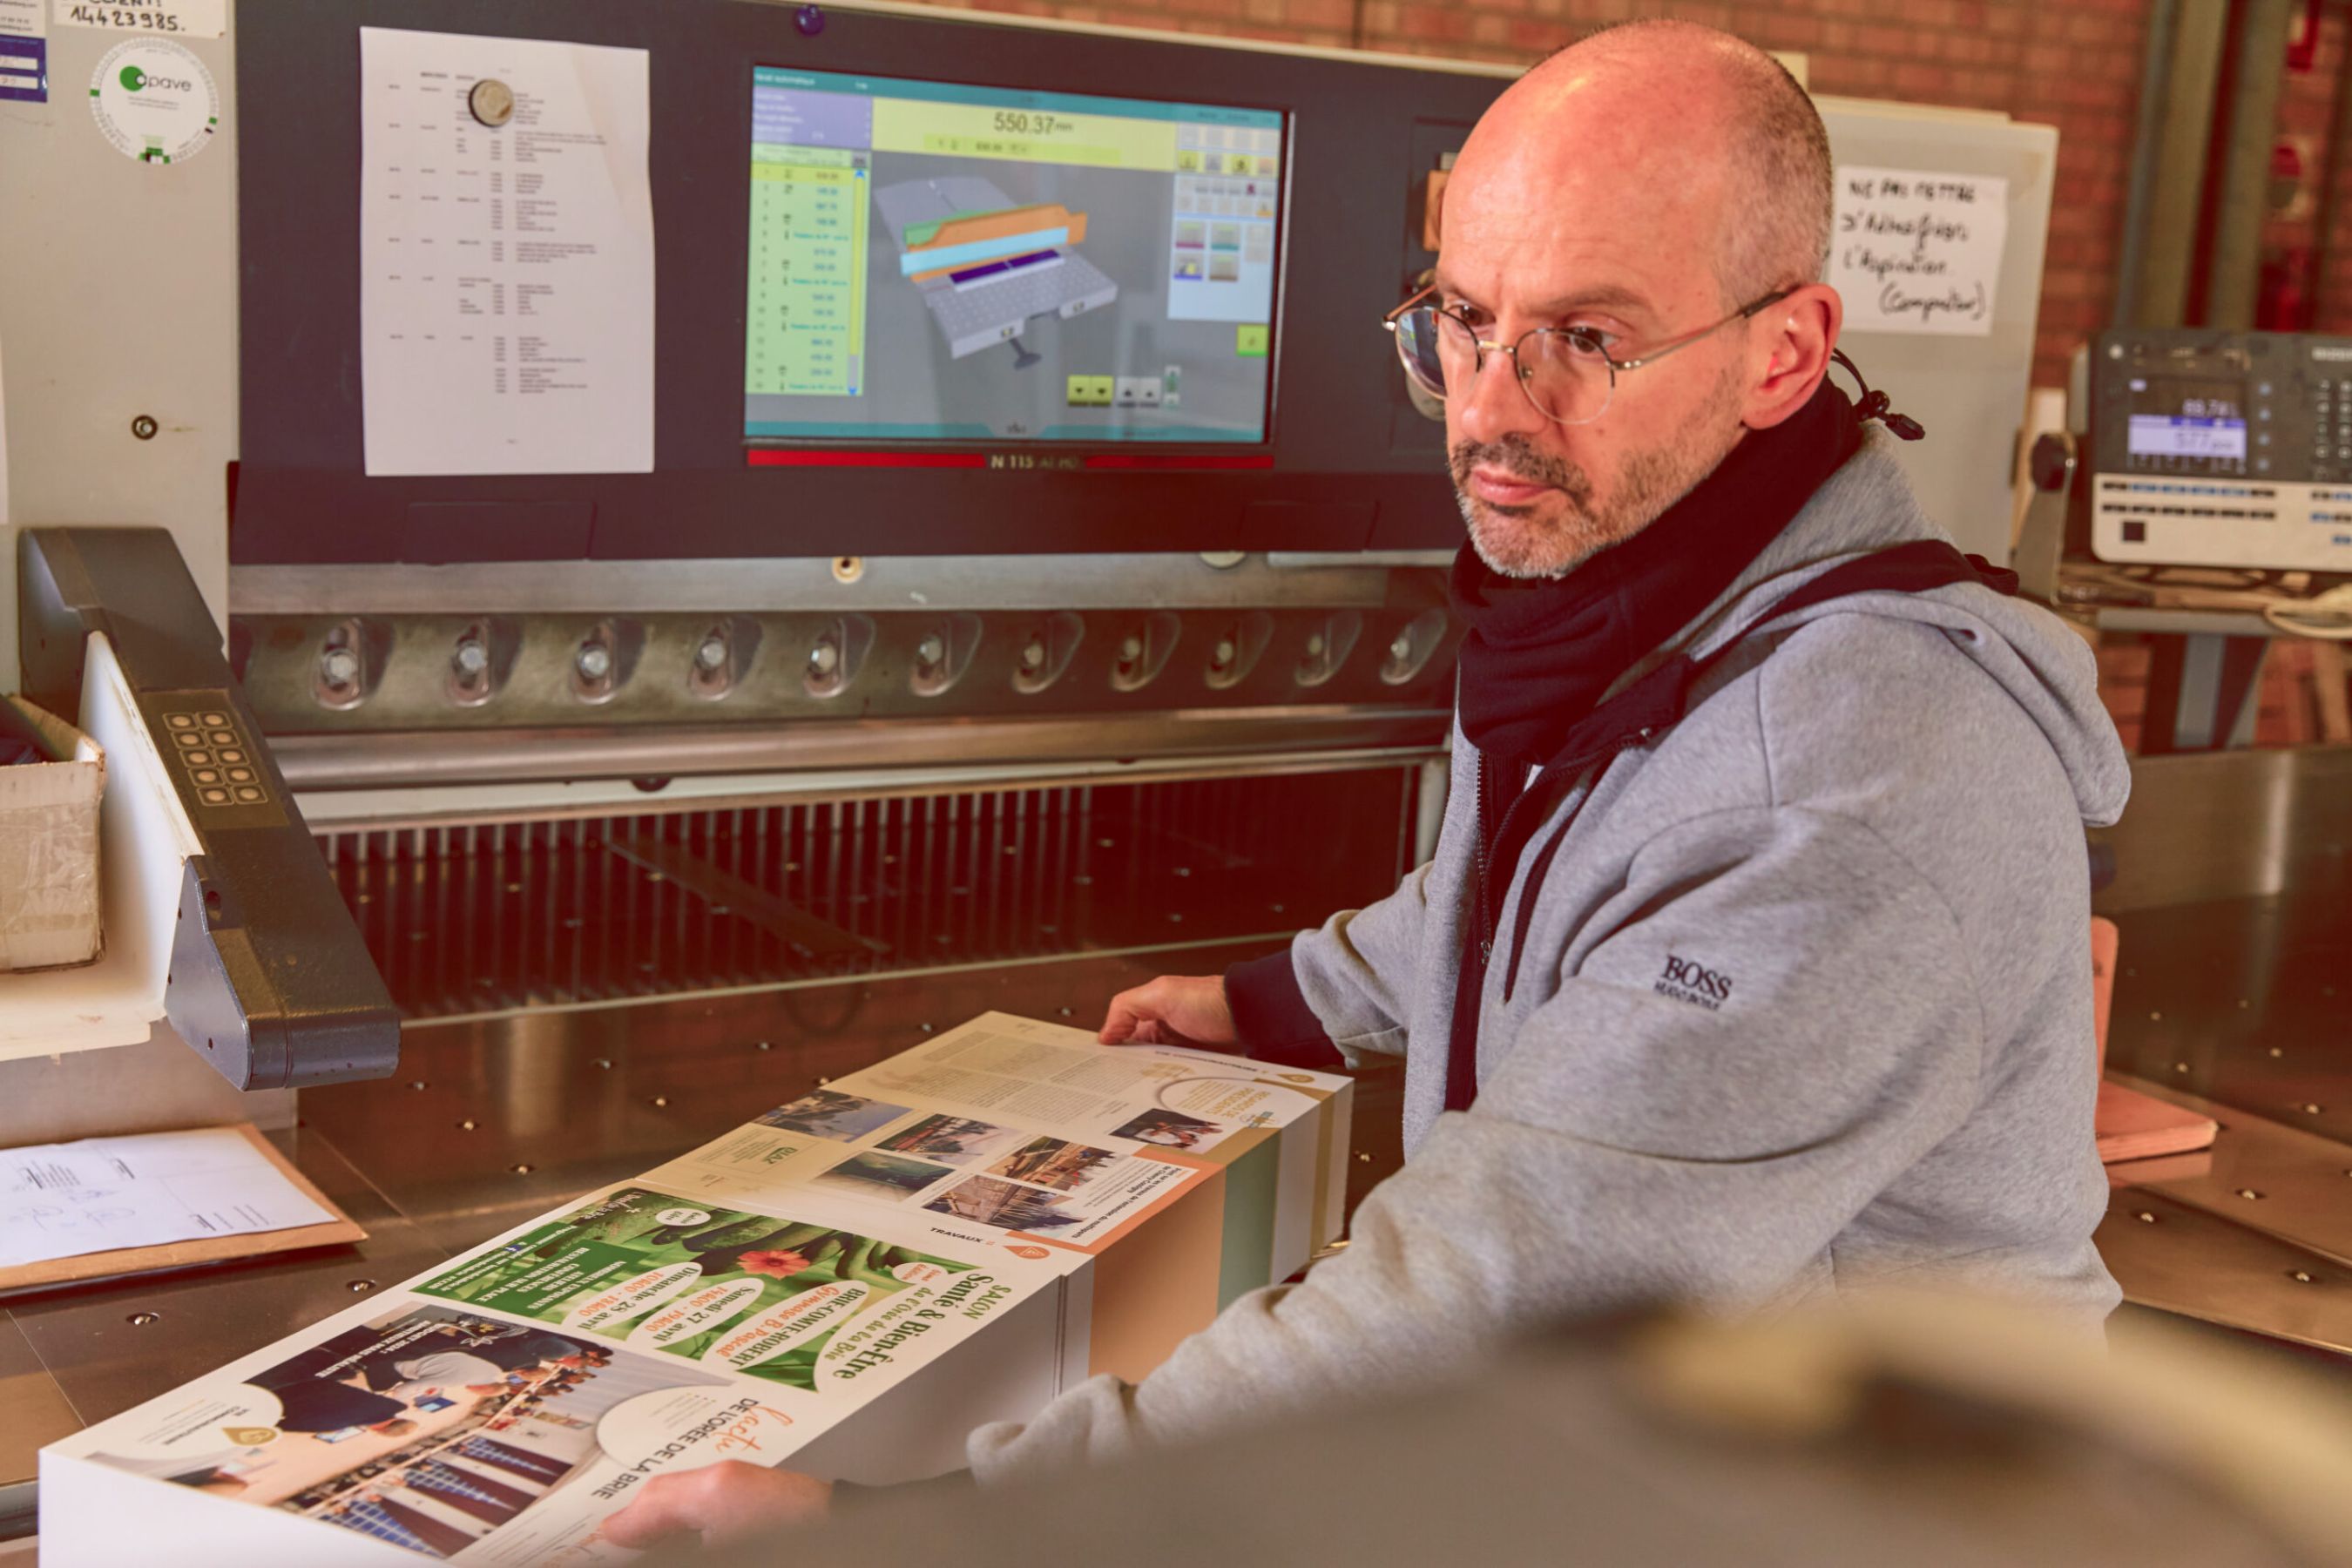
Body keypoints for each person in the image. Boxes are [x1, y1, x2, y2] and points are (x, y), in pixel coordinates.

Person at [605, 19, 2128, 1548]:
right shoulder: (1638, 608)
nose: (1490, 409)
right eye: (1465, 320)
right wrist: (1284, 995)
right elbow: (1535, 890)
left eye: (1589, 340)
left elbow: (1493, 1294)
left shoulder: (1841, 786)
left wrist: (927, 1524)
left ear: (1784, 353)